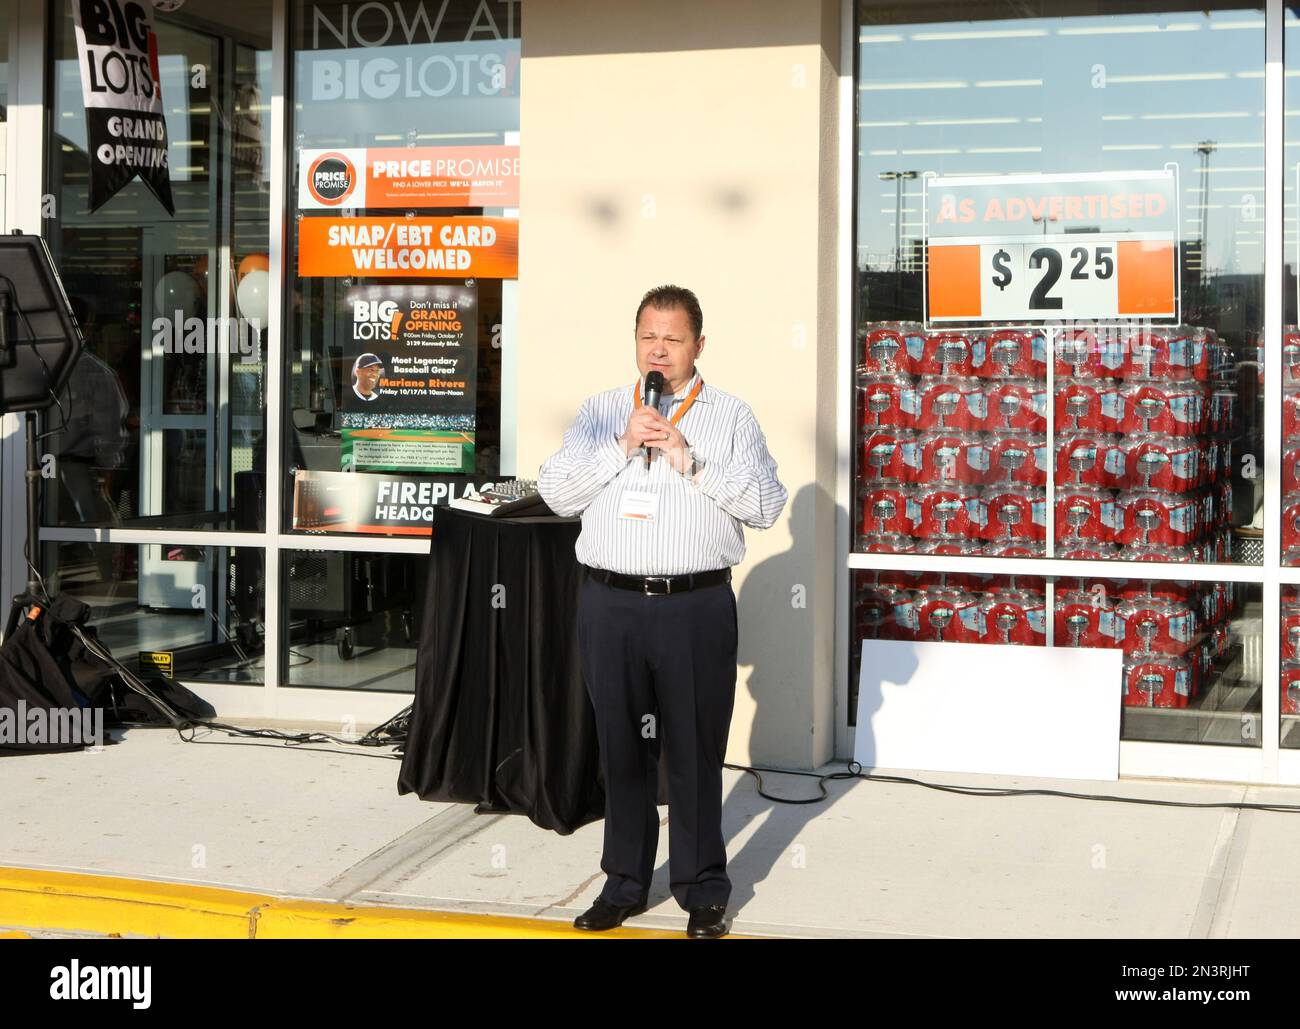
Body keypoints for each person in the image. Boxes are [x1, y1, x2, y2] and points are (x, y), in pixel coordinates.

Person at [538, 284, 787, 939]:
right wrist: (619, 446)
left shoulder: (730, 417)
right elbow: (558, 493)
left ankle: (702, 888)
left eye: (672, 338)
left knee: (694, 753)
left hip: (693, 607)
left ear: (698, 345)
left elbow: (765, 506)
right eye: (649, 335)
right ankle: (622, 883)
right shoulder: (600, 412)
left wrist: (691, 458)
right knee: (620, 748)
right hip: (610, 604)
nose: (659, 348)